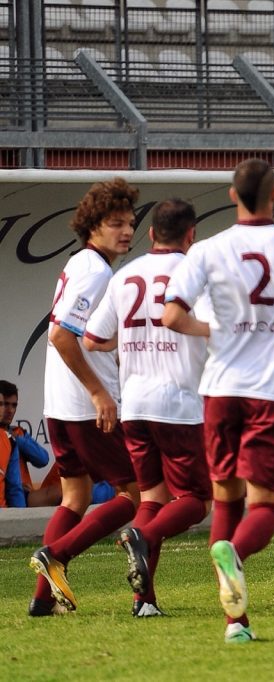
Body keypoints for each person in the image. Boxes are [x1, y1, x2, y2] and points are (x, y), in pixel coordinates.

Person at [163, 159, 274, 643]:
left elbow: (171, 315)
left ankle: (235, 624)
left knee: (226, 497)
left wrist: (213, 331)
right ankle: (235, 554)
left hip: (220, 390)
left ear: (231, 195)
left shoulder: (207, 249)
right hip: (270, 392)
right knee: (266, 506)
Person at [82, 198, 213, 617]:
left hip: (135, 403)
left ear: (152, 233)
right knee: (197, 499)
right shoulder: (194, 272)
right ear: (191, 235)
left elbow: (92, 339)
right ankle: (142, 537)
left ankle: (144, 601)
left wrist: (130, 339)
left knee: (153, 498)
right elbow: (214, 328)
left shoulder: (125, 275)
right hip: (178, 402)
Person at [28, 178, 141, 617]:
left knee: (74, 497)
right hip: (84, 406)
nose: (127, 231)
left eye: (130, 223)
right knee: (136, 494)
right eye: (116, 223)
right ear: (93, 226)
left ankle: (42, 599)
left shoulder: (82, 263)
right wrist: (98, 392)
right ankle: (57, 556)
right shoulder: (96, 272)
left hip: (60, 403)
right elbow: (60, 335)